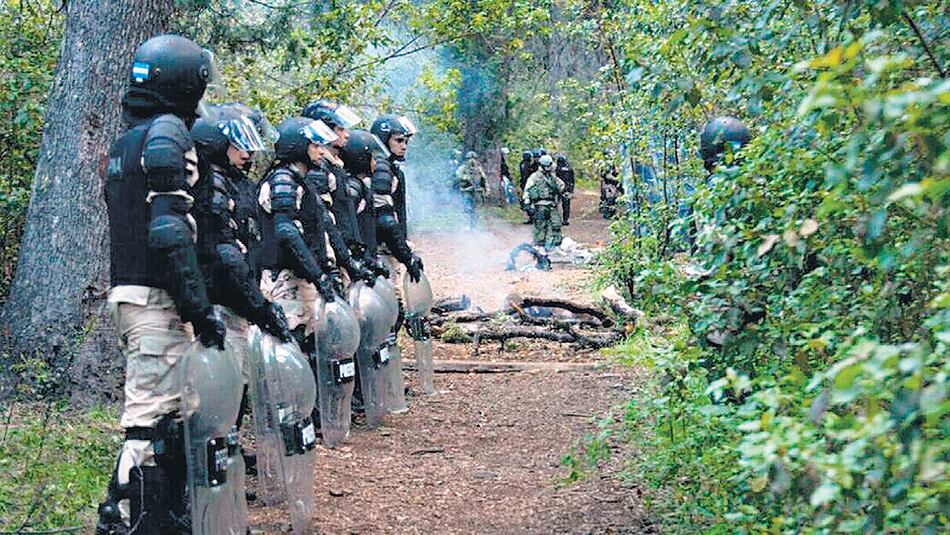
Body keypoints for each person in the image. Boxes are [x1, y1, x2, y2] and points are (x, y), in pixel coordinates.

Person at [97, 34, 225, 535]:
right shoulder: (168, 132)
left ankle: (164, 516)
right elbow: (170, 233)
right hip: (155, 299)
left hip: (138, 294)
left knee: (172, 415)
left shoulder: (130, 139)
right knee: (150, 421)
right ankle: (127, 520)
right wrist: (199, 308)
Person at [523, 154, 567, 252]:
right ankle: (539, 246)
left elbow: (561, 185)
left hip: (551, 204)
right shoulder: (534, 177)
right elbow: (527, 189)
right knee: (540, 226)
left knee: (556, 224)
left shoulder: (552, 176)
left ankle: (556, 246)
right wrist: (527, 203)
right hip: (540, 204)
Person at [453, 151, 487, 229]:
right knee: (466, 208)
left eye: (474, 158)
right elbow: (458, 175)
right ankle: (466, 225)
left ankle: (475, 226)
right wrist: (467, 178)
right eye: (469, 158)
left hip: (477, 191)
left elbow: (484, 179)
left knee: (476, 209)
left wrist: (486, 189)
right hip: (466, 190)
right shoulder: (462, 168)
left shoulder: (478, 169)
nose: (472, 160)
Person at [555, 153, 575, 225]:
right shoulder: (569, 169)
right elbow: (572, 180)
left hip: (558, 188)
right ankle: (565, 219)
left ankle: (555, 219)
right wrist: (571, 190)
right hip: (567, 189)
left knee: (555, 204)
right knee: (566, 205)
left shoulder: (557, 169)